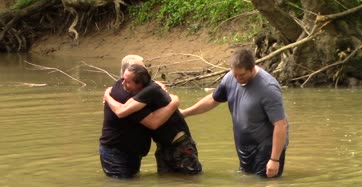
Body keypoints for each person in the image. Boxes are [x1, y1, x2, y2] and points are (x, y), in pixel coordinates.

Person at [181, 48, 289, 178]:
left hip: (266, 148)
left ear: (252, 68)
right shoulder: (230, 78)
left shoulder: (268, 88)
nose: (237, 79)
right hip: (245, 148)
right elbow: (213, 99)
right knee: (249, 186)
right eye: (235, 74)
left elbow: (281, 124)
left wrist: (274, 160)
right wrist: (186, 113)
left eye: (242, 75)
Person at [104, 64, 202, 175]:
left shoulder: (149, 91)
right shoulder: (146, 88)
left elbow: (121, 112)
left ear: (140, 84)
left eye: (127, 81)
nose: (123, 84)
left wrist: (107, 95)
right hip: (163, 147)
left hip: (180, 146)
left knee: (192, 184)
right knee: (167, 186)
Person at [99, 55, 180, 178]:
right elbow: (153, 122)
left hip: (129, 152)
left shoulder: (128, 86)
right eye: (140, 72)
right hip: (116, 153)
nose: (145, 76)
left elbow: (151, 86)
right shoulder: (127, 98)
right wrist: (174, 102)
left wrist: (158, 86)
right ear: (127, 74)